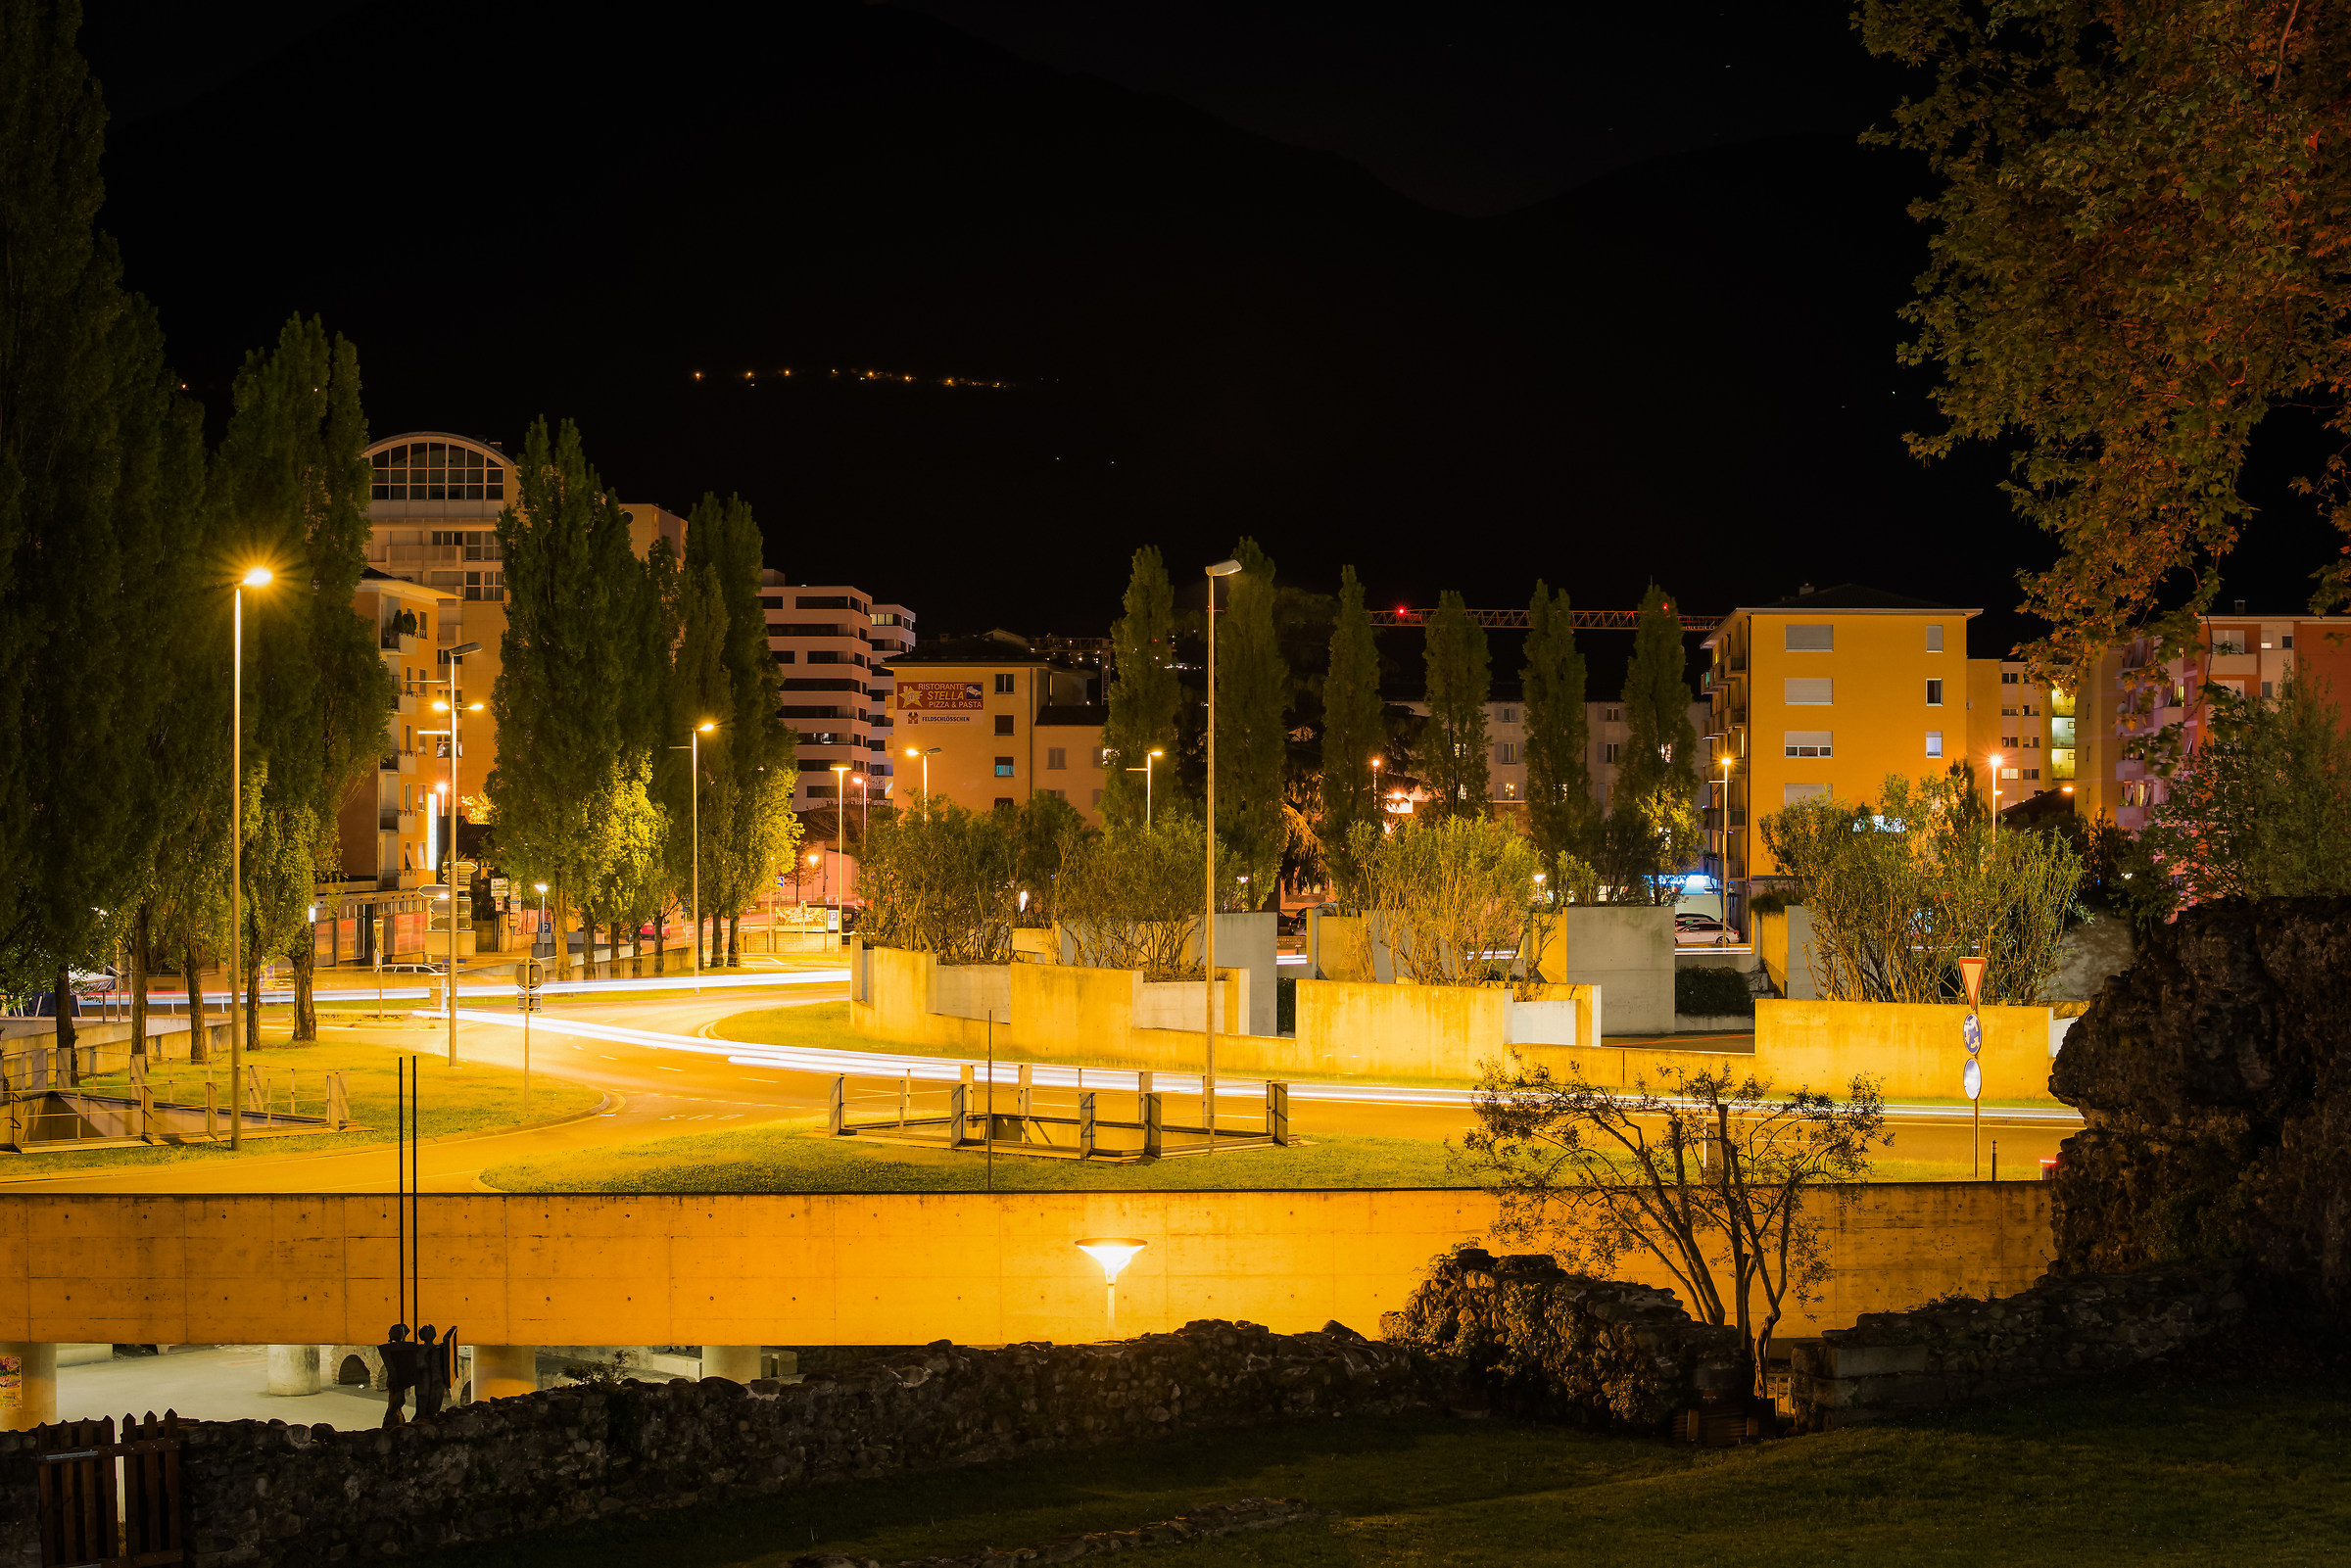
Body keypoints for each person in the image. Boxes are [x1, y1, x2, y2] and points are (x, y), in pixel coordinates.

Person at [379, 1323, 422, 1428]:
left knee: (397, 1402)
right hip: (395, 1383)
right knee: (396, 1402)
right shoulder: (404, 1349)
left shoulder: (393, 1349)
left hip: (394, 1382)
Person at [413, 1324, 450, 1418]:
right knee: (427, 1406)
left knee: (427, 1406)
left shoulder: (426, 1349)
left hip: (430, 1382)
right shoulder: (435, 1349)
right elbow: (420, 1363)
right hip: (427, 1381)